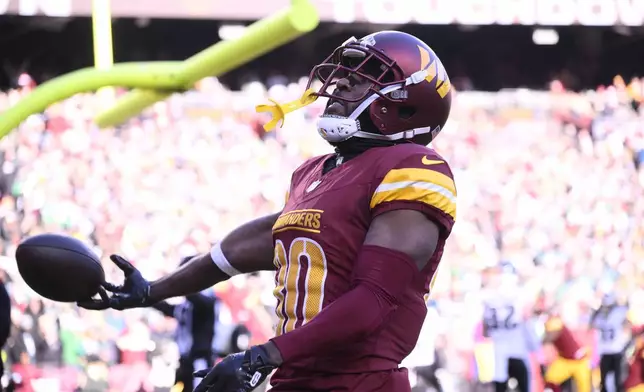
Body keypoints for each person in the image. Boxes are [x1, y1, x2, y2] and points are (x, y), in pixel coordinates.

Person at [79, 30, 456, 392]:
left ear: (405, 102)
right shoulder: (315, 172)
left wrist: (261, 356)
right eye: (344, 75)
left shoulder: (414, 167)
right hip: (295, 379)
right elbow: (255, 244)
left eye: (361, 79)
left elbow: (373, 299)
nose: (340, 85)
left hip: (362, 383)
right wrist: (153, 290)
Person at [150, 256, 221, 392]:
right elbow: (168, 309)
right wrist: (148, 296)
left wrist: (176, 284)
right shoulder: (188, 306)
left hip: (200, 362)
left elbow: (197, 300)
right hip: (185, 362)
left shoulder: (207, 302)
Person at [481, 267, 541, 392]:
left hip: (497, 353)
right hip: (516, 350)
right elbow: (526, 320)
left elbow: (485, 330)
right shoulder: (518, 296)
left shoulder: (487, 298)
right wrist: (536, 347)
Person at [588, 293, 631, 392]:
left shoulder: (616, 314)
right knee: (605, 381)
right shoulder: (613, 314)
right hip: (607, 351)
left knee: (617, 381)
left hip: (615, 351)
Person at [542, 311, 591, 392]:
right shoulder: (552, 323)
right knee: (550, 381)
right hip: (564, 359)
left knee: (584, 388)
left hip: (579, 361)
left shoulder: (556, 323)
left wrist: (543, 340)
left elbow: (552, 335)